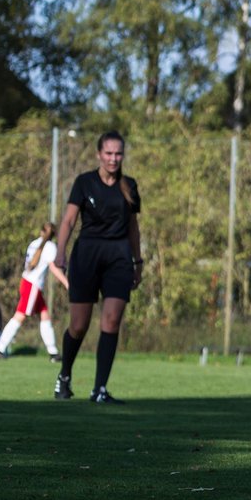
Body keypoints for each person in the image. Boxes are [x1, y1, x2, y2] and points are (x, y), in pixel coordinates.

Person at [53, 130, 143, 404]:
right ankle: (65, 375)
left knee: (112, 320)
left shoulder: (129, 185)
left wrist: (138, 262)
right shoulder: (84, 182)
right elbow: (68, 221)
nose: (113, 158)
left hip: (118, 257)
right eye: (108, 153)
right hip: (87, 255)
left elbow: (133, 227)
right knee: (79, 326)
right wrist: (60, 253)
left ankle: (99, 389)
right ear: (99, 155)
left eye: (118, 153)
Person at [0, 222, 70, 361]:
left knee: (45, 315)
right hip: (32, 286)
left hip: (26, 282)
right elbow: (53, 268)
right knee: (20, 316)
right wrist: (67, 283)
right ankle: (0, 349)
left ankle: (53, 353)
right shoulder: (50, 246)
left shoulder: (33, 243)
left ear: (41, 231)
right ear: (54, 235)